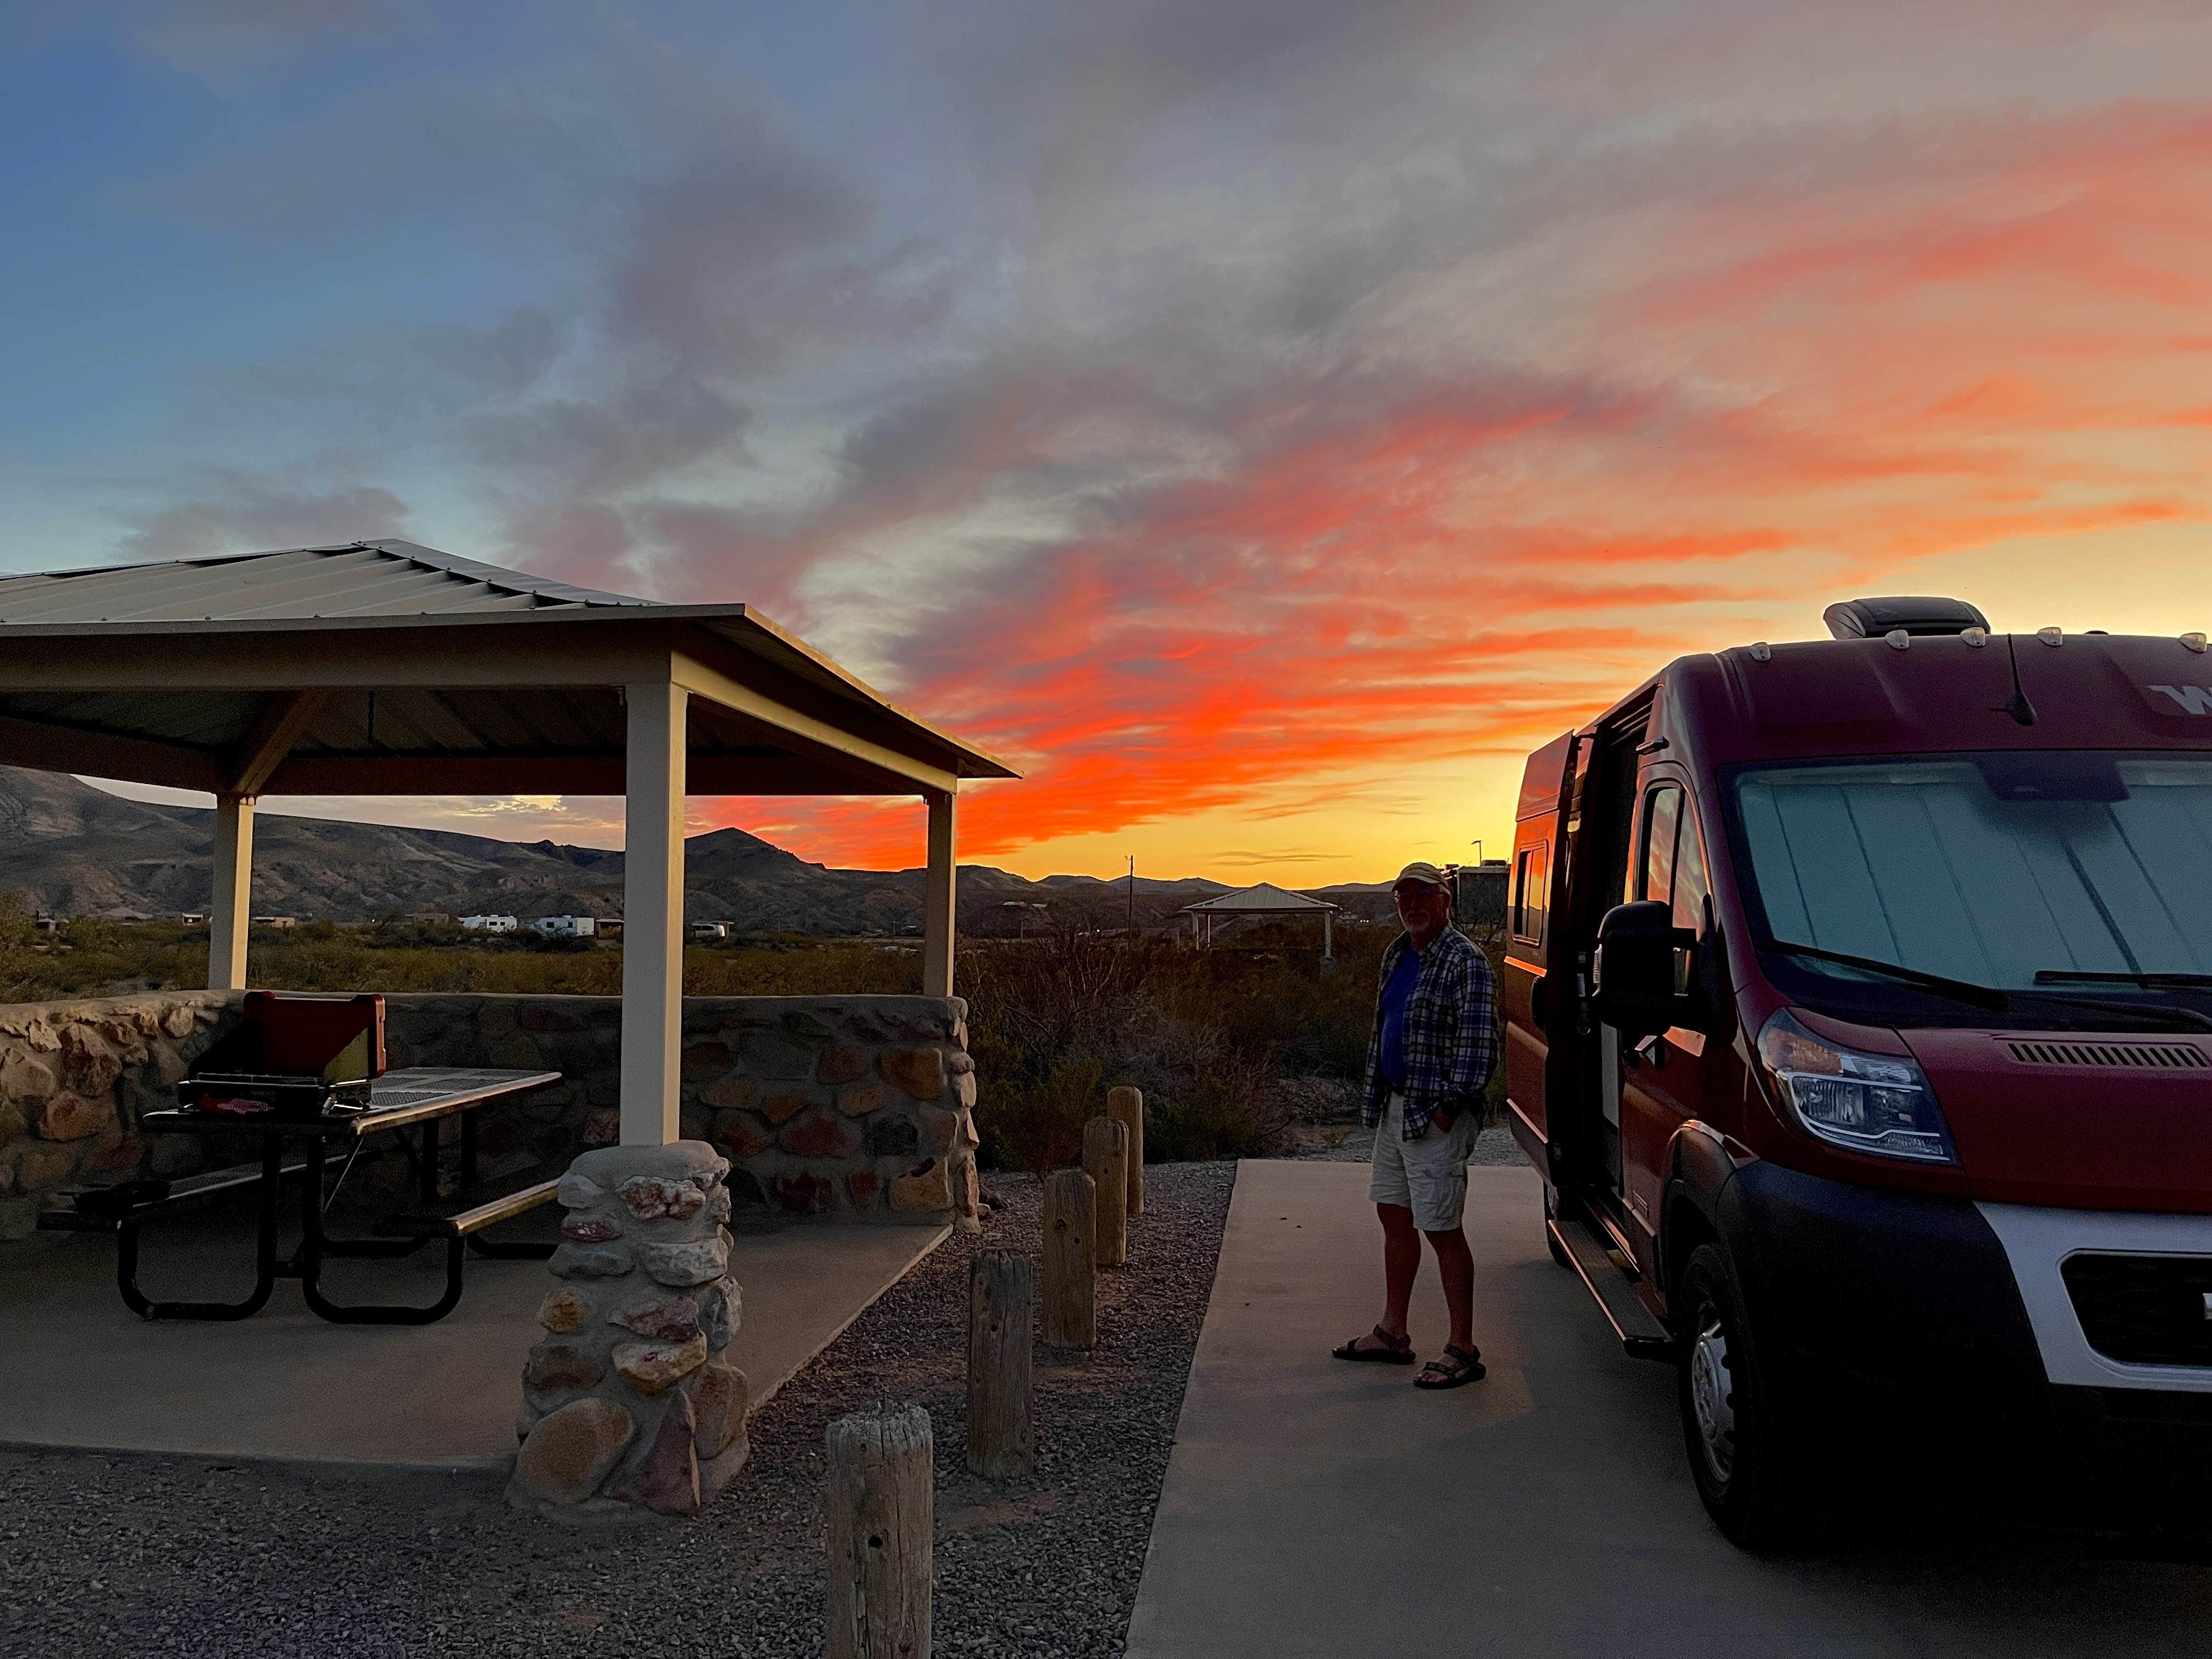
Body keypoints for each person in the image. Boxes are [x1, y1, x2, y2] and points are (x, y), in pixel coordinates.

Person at [1330, 861, 1499, 1389]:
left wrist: (1449, 1109)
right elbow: (1387, 1025)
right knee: (1394, 1215)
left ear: (1445, 900)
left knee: (1442, 1227)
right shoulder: (1398, 954)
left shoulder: (1464, 961)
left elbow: (1480, 1045)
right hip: (1395, 1108)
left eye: (1424, 895)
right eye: (1404, 897)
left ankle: (1463, 1349)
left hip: (1435, 1114)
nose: (1413, 905)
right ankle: (1392, 1332)